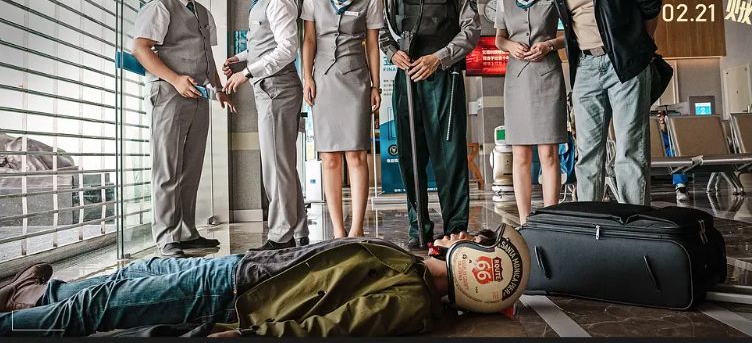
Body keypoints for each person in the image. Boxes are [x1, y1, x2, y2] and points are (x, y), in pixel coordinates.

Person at [0, 225, 530, 337]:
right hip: (241, 269)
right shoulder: (411, 266)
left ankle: (17, 320)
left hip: (232, 294)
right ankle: (35, 295)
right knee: (134, 277)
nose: (464, 233)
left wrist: (248, 334)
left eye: (476, 239)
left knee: (100, 309)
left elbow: (329, 328)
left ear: (476, 268)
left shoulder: (411, 298)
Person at [532, 0, 662, 206]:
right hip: (585, 66)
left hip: (626, 63)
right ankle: (589, 220)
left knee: (630, 149)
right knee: (587, 152)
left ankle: (633, 219)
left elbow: (650, 5)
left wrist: (638, 49)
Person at [379, 0, 481, 248]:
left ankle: (455, 229)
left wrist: (439, 58)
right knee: (411, 156)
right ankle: (418, 228)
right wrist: (393, 53)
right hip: (408, 78)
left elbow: (470, 31)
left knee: (450, 157)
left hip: (445, 78)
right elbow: (384, 31)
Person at [132, 0, 235, 258]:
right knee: (168, 168)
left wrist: (219, 88)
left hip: (199, 96)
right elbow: (140, 48)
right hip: (168, 96)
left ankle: (186, 232)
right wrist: (175, 79)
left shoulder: (202, 12)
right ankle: (166, 236)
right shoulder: (159, 7)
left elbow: (207, 55)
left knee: (190, 168)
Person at [223, 0, 309, 251]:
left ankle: (280, 236)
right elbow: (266, 43)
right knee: (281, 164)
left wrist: (246, 73)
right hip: (270, 89)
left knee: (275, 166)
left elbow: (287, 49)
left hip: (277, 89)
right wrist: (240, 58)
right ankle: (297, 230)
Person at [300, 0, 383, 238]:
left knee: (357, 155)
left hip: (356, 82)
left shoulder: (371, 0)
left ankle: (357, 229)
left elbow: (372, 45)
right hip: (323, 81)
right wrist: (307, 77)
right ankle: (338, 231)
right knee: (330, 157)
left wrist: (375, 85)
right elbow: (309, 39)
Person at [494, 0, 568, 224]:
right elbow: (499, 38)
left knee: (548, 152)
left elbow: (568, 35)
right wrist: (509, 46)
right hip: (517, 80)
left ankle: (551, 219)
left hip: (547, 77)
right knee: (520, 154)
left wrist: (548, 45)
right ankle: (525, 221)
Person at [657, 111, 690, 201]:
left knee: (675, 152)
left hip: (668, 151)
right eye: (658, 115)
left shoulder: (670, 128)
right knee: (674, 151)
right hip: (652, 151)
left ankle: (681, 186)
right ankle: (681, 186)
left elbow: (673, 143)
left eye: (662, 115)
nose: (660, 118)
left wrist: (664, 128)